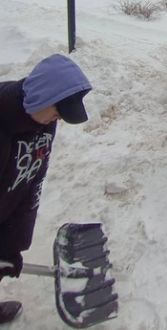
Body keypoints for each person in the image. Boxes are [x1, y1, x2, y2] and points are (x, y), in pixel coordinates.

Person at [0, 54, 92, 325]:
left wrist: (11, 246)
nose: (58, 120)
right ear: (39, 97)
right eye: (57, 111)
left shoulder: (43, 123)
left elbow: (31, 183)